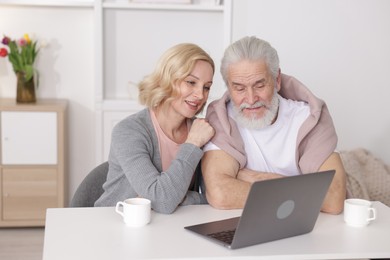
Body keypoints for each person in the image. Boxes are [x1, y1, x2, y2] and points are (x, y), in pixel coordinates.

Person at [201, 36, 346, 214]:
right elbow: (221, 194)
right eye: (239, 88)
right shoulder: (221, 118)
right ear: (229, 88)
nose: (251, 99)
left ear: (276, 80)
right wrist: (301, 189)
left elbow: (333, 199)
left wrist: (259, 178)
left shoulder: (309, 118)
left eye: (259, 85)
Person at [95, 43, 215, 214]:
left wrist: (177, 198)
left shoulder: (201, 129)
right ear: (167, 79)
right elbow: (163, 201)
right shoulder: (129, 131)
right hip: (115, 224)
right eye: (191, 82)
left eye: (206, 87)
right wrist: (193, 143)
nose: (200, 95)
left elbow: (216, 197)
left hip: (168, 227)